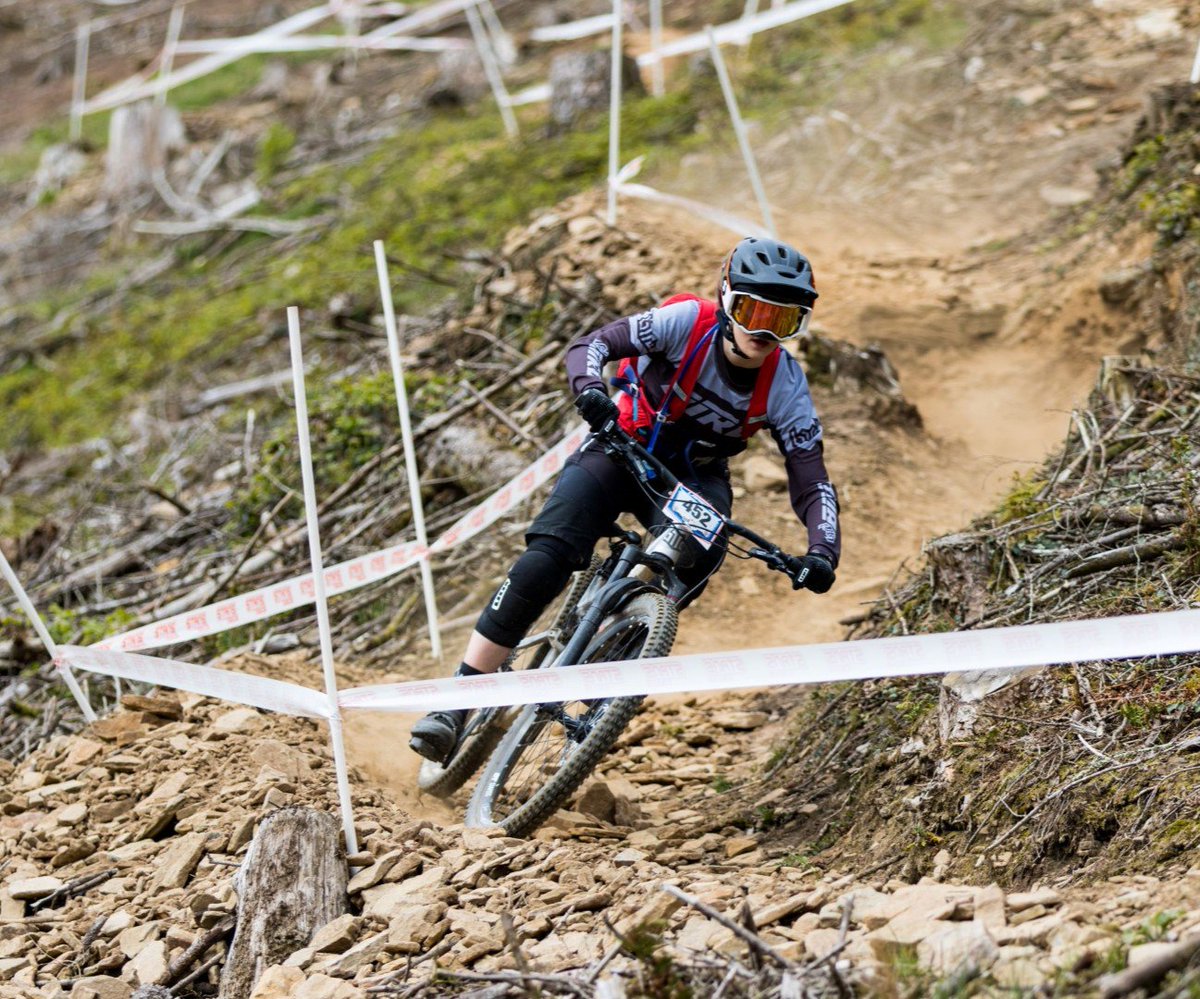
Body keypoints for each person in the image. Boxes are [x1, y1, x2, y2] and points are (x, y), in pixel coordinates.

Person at [409, 236, 842, 764]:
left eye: (784, 320)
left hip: (694, 479)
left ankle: (614, 652)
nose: (763, 331)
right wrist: (590, 388)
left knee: (703, 555)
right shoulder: (686, 321)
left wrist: (822, 550)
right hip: (623, 447)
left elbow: (811, 477)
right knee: (545, 560)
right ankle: (457, 702)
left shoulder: (787, 386)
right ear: (726, 299)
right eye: (753, 310)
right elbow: (590, 345)